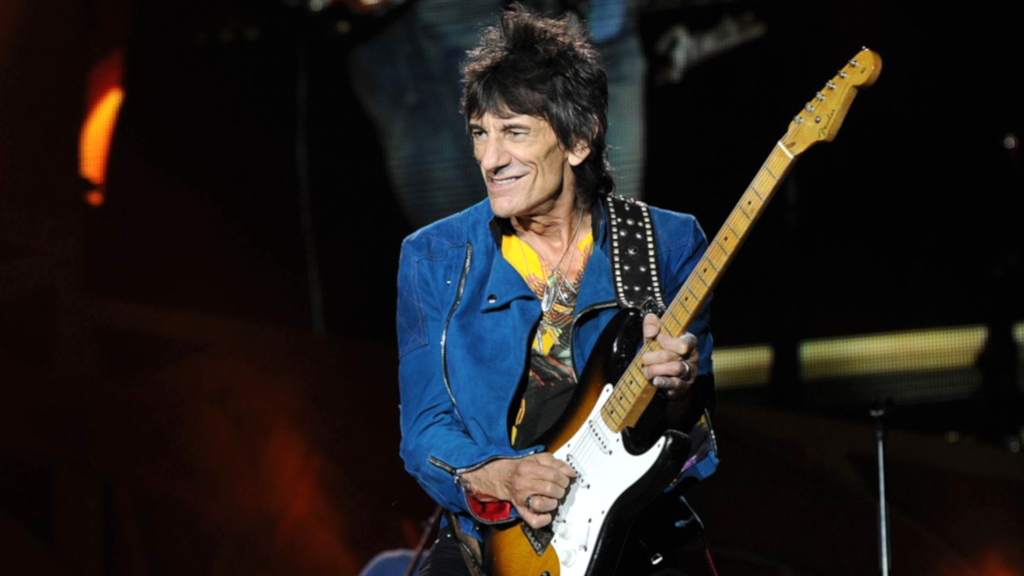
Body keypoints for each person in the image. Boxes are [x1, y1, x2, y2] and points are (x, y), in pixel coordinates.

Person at [395, 6, 716, 574]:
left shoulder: (665, 242)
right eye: (481, 134)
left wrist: (680, 388)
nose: (490, 159)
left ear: (578, 140)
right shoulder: (434, 256)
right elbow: (425, 430)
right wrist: (502, 475)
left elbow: (694, 432)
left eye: (514, 132)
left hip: (633, 535)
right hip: (496, 545)